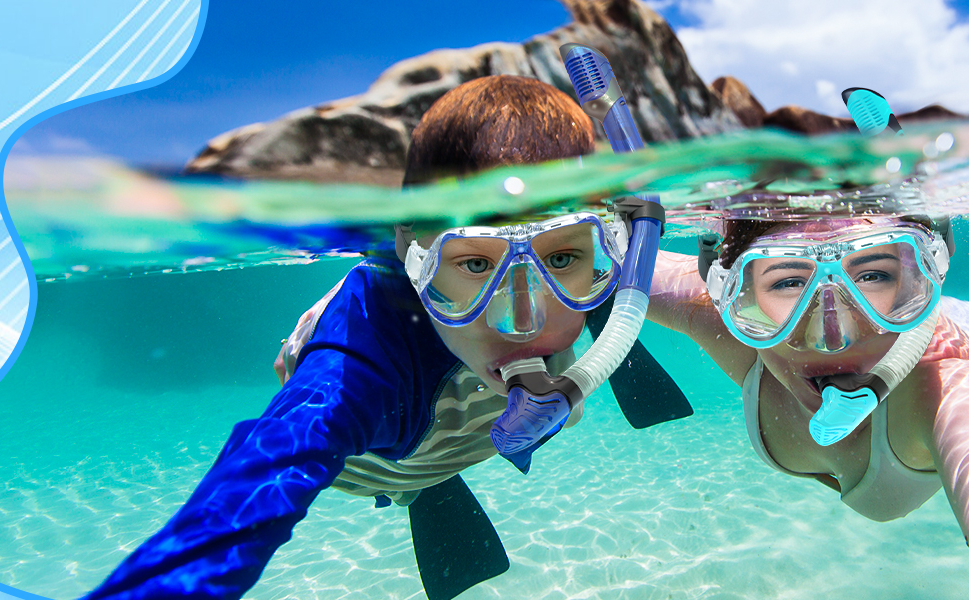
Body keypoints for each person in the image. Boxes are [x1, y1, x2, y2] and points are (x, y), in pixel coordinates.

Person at [82, 74, 670, 600]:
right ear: (411, 252)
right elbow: (266, 473)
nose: (524, 320)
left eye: (564, 255)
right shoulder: (362, 358)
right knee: (413, 447)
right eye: (472, 265)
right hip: (380, 459)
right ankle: (426, 491)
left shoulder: (601, 277)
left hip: (451, 413)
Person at [645, 205, 969, 598]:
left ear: (919, 279)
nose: (831, 337)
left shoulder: (951, 388)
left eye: (873, 274)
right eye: (790, 282)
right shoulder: (718, 315)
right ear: (735, 294)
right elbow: (607, 259)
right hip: (892, 321)